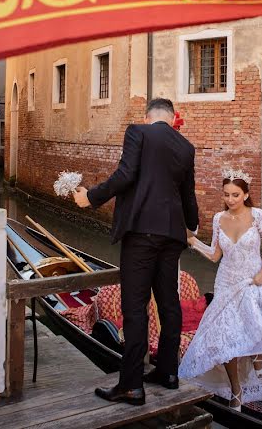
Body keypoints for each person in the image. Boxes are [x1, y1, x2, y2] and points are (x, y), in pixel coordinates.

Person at [73, 98, 199, 406]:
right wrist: (191, 225)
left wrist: (90, 197)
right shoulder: (186, 147)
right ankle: (168, 372)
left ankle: (131, 385)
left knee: (134, 307)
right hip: (171, 235)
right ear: (172, 118)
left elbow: (125, 174)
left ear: (148, 116)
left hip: (142, 232)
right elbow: (188, 194)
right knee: (170, 305)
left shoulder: (138, 132)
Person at [180, 170, 262, 410]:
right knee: (226, 339)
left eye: (236, 195)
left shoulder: (257, 215)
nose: (230, 199)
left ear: (246, 194)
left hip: (252, 280)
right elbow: (216, 255)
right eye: (226, 194)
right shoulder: (218, 218)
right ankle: (236, 390)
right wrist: (194, 243)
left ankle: (258, 356)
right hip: (226, 283)